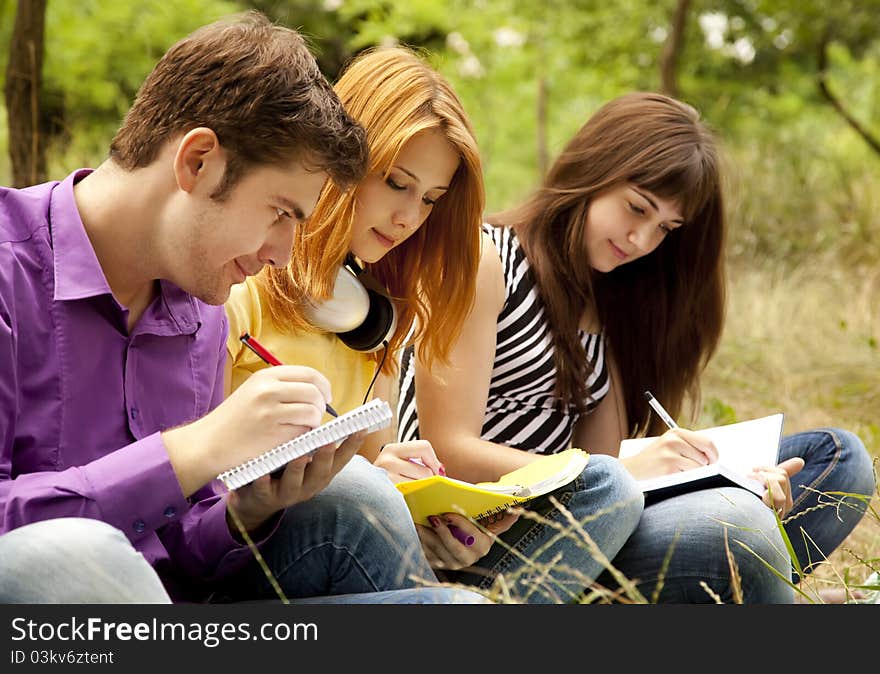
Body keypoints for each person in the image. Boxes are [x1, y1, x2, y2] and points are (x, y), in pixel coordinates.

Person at [0, 11, 485, 605]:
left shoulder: (202, 311)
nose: (283, 255)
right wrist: (192, 450)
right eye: (280, 212)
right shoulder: (9, 271)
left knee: (455, 603)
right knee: (78, 555)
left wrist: (249, 507)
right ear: (198, 161)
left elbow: (180, 555)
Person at [397, 91, 876, 603]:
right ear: (594, 170)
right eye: (636, 208)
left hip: (586, 520)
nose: (643, 240)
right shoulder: (487, 257)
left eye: (666, 228)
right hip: (483, 542)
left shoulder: (605, 302)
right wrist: (621, 472)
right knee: (735, 533)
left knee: (838, 460)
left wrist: (721, 477)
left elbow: (609, 465)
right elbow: (447, 447)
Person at [225, 46, 644, 601]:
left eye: (430, 200)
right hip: (241, 555)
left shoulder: (375, 315)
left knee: (607, 487)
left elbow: (377, 471)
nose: (409, 218)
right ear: (341, 157)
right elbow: (191, 468)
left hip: (350, 557)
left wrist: (424, 518)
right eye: (397, 183)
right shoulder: (237, 281)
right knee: (362, 501)